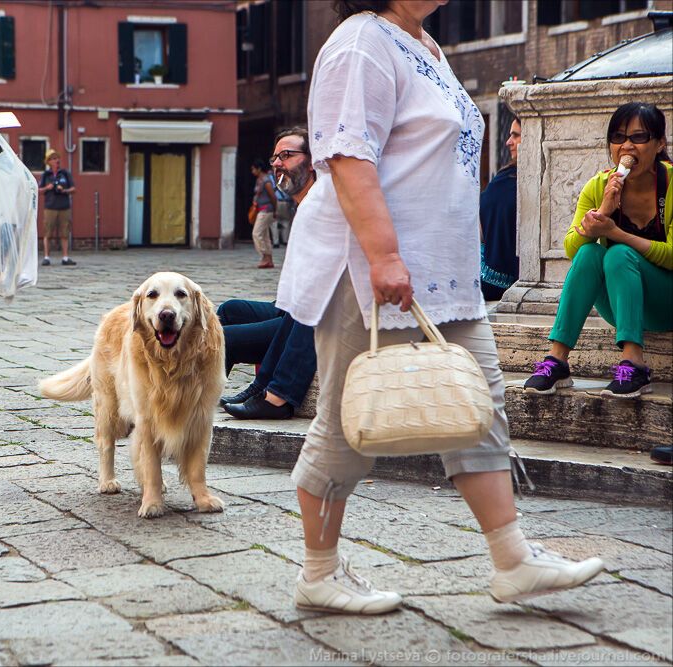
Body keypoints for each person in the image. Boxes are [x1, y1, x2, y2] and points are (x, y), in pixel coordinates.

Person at [275, 0, 605, 615]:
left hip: (441, 272)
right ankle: (318, 574)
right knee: (350, 423)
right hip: (371, 266)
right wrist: (383, 254)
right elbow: (347, 156)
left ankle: (512, 560)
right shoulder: (359, 42)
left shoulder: (422, 44)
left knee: (479, 402)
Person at [524, 103, 671, 400]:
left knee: (618, 253)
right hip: (622, 306)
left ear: (659, 145)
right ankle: (557, 359)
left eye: (639, 137)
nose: (627, 145)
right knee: (590, 253)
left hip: (666, 301)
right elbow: (571, 248)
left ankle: (634, 364)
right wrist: (603, 211)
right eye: (618, 137)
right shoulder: (599, 185)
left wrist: (616, 234)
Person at [219, 128, 317, 420]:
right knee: (231, 309)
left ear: (312, 163)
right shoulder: (303, 207)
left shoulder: (322, 206)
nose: (277, 163)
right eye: (275, 157)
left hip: (305, 316)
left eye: (286, 156)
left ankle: (198, 402)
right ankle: (218, 394)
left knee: (222, 338)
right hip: (287, 309)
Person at [480, 117, 522, 301]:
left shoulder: (513, 179)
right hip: (487, 267)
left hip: (496, 279)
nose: (508, 142)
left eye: (516, 135)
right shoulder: (506, 176)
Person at [40, 149, 77, 266]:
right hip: (50, 207)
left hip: (64, 207)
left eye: (57, 158)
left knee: (65, 233)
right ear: (49, 162)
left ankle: (65, 258)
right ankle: (46, 257)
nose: (57, 160)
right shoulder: (46, 175)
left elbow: (74, 189)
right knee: (48, 233)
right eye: (54, 158)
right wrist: (48, 187)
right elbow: (38, 190)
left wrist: (64, 190)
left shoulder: (65, 173)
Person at [250, 158, 277, 268]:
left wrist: (275, 210)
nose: (252, 171)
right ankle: (268, 259)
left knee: (256, 233)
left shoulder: (266, 181)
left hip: (267, 210)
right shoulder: (259, 180)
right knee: (265, 235)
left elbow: (273, 197)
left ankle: (264, 255)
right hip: (261, 209)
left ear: (259, 169)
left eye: (253, 169)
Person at [272, 180, 295, 248]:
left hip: (276, 201)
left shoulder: (270, 178)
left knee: (274, 222)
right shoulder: (288, 177)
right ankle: (285, 241)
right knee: (286, 222)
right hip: (287, 202)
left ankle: (276, 242)